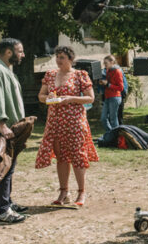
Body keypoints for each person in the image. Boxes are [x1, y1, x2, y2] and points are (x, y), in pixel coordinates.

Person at [34, 46, 99, 207]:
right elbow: (41, 96)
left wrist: (71, 98)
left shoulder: (80, 75)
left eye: (62, 57)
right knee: (61, 156)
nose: (58, 60)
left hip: (75, 121)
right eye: (57, 57)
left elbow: (90, 98)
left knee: (78, 155)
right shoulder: (50, 75)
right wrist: (48, 97)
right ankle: (64, 192)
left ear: (70, 59)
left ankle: (81, 192)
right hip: (55, 121)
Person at [0, 38, 30, 223]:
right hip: (3, 129)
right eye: (20, 51)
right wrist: (1, 125)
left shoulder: (5, 70)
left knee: (9, 167)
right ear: (9, 52)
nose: (23, 55)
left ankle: (7, 203)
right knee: (3, 169)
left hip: (11, 128)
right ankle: (3, 211)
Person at [98, 55, 125, 145]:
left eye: (106, 63)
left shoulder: (117, 71)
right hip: (107, 97)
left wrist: (108, 84)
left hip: (115, 97)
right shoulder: (108, 71)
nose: (104, 65)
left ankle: (117, 139)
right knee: (103, 118)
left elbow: (121, 88)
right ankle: (112, 136)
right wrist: (103, 83)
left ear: (112, 62)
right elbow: (108, 83)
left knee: (113, 119)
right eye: (104, 63)